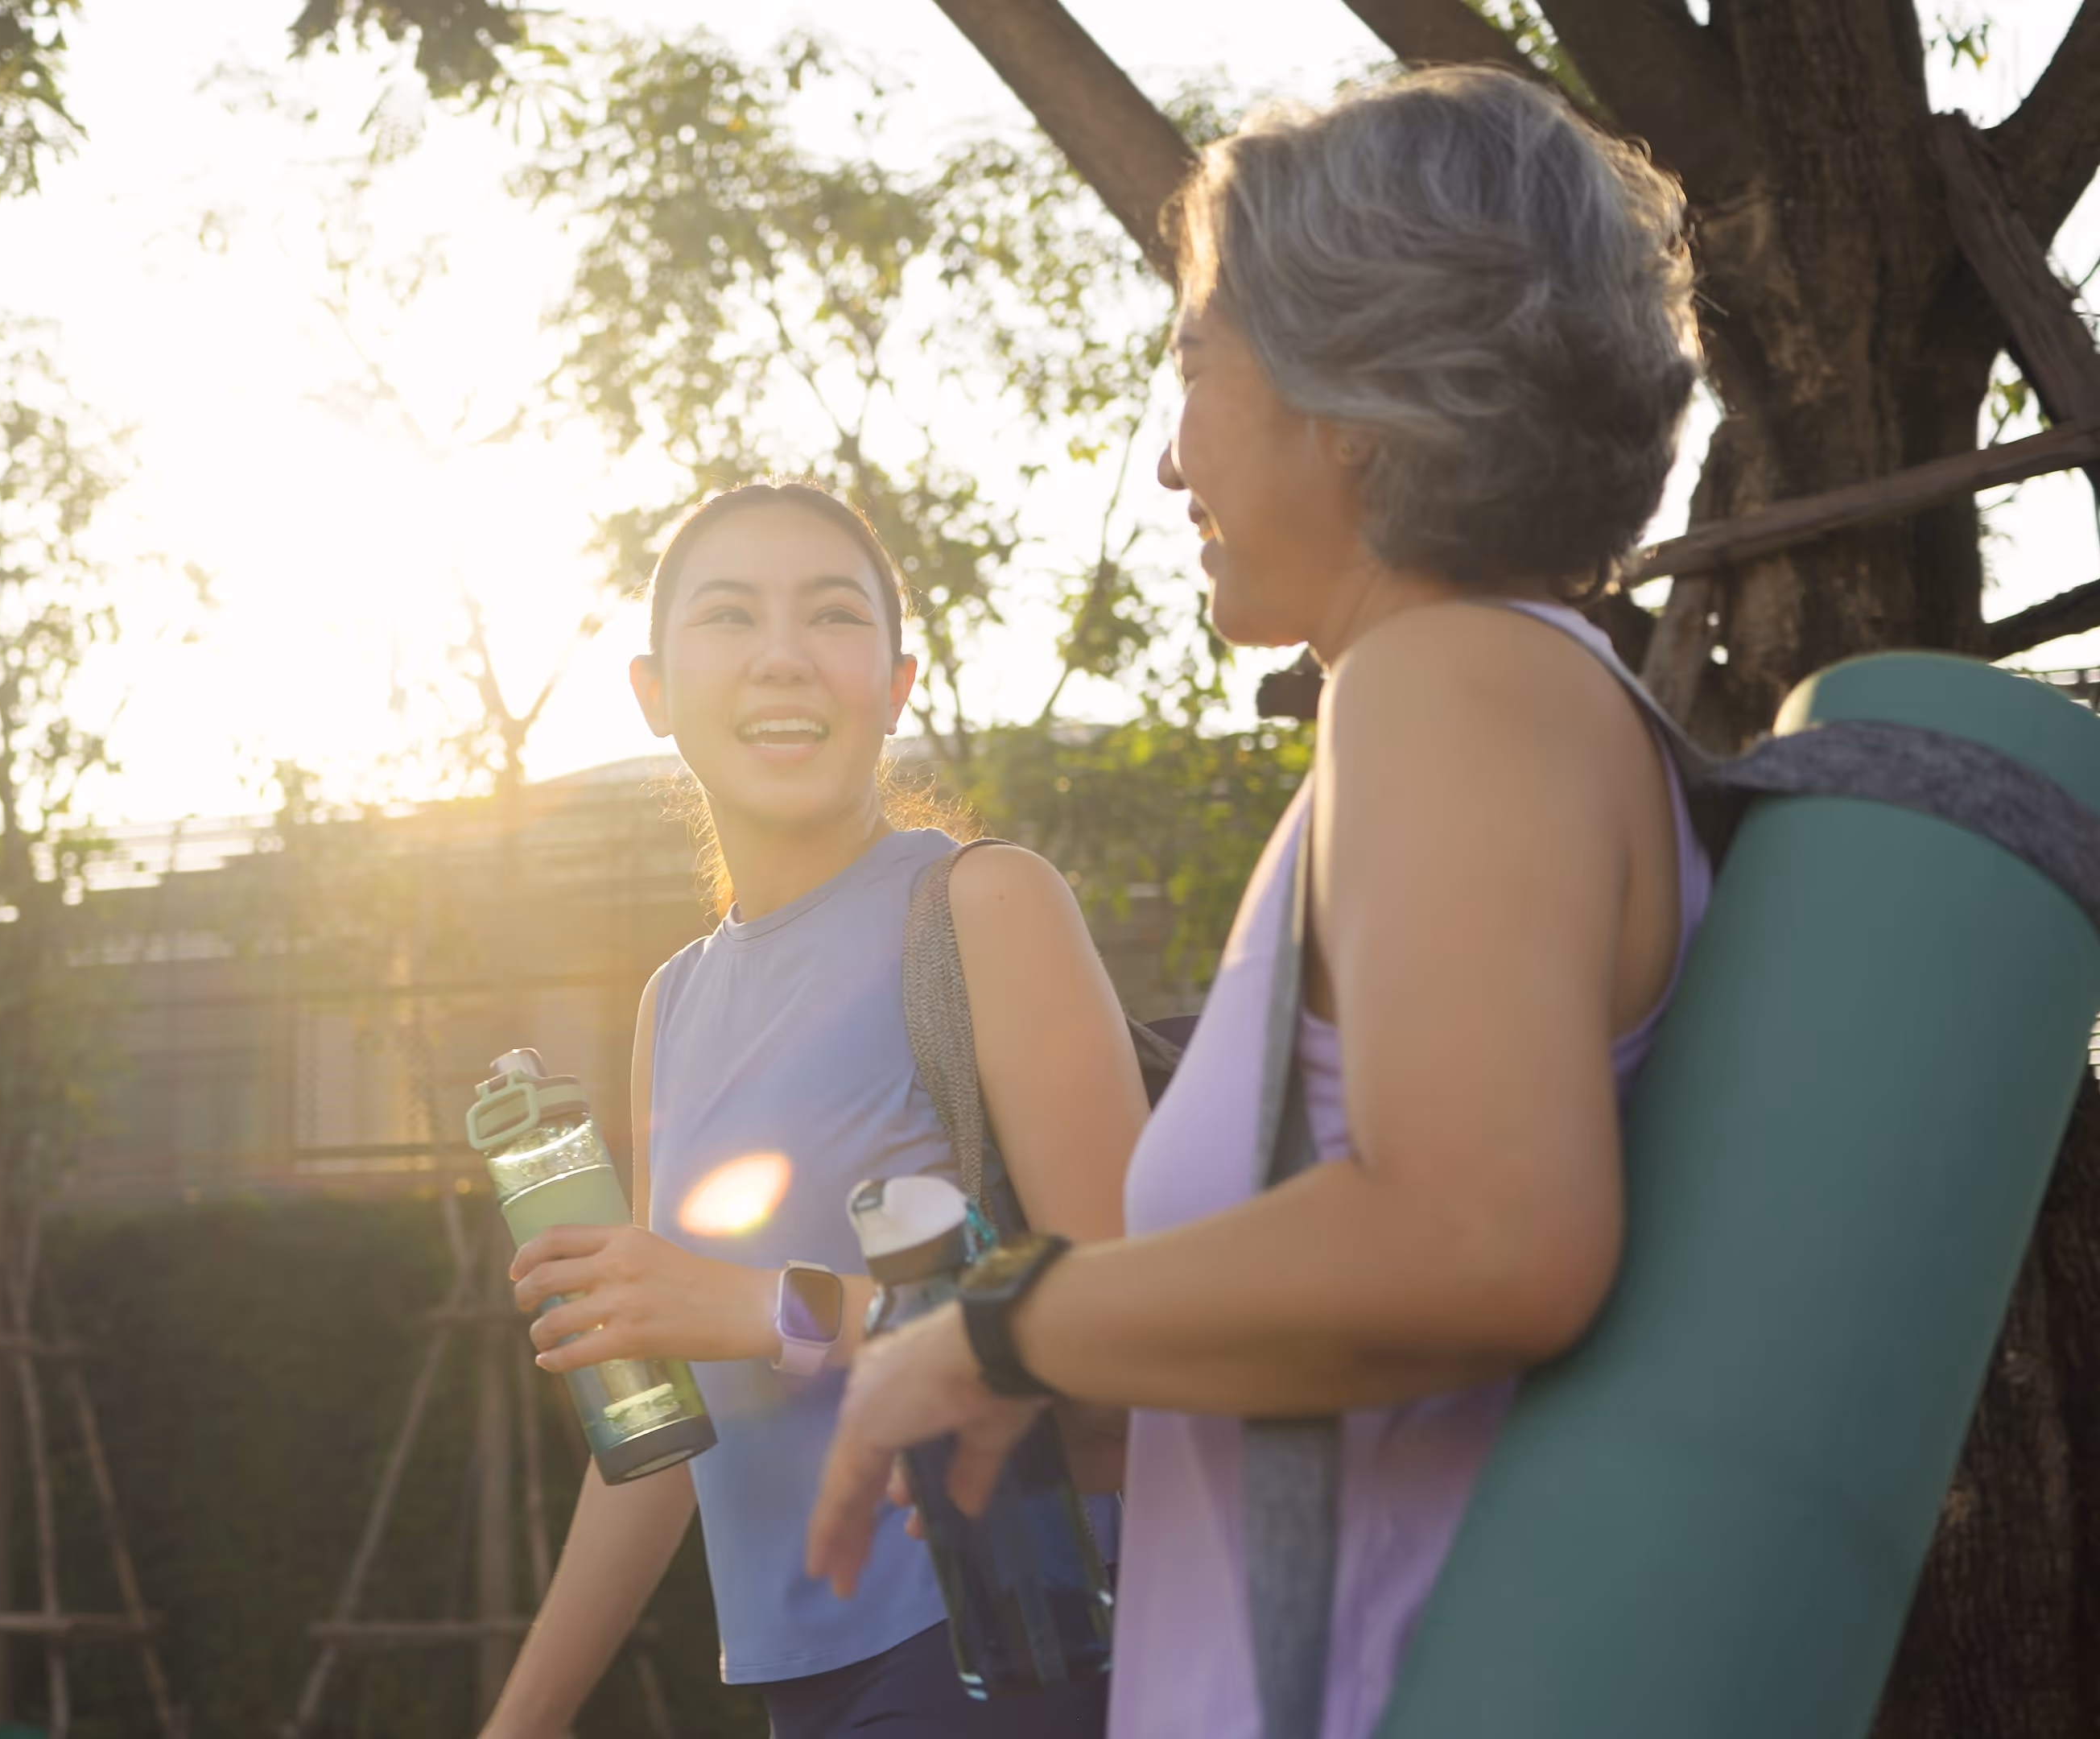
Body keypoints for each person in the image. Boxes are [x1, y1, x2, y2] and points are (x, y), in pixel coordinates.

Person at [804, 66, 1712, 1739]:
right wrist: (1057, 1379)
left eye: (1193, 367)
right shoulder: (1508, 703)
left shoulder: (1445, 683)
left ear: (1351, 400)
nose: (1167, 462)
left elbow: (1485, 1240)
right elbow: (1382, 1349)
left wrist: (998, 1333)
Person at [475, 481, 1148, 1739]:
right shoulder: (670, 1005)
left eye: (833, 617)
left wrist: (754, 1307)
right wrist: (524, 1719)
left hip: (1004, 1643)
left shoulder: (983, 907)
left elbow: (1131, 1324)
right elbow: (667, 1441)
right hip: (798, 1682)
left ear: (894, 687)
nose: (783, 655)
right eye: (729, 617)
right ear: (654, 694)